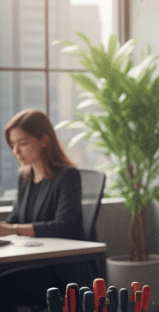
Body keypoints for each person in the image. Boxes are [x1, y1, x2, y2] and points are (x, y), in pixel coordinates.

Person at [0, 109, 86, 310]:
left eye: (22, 143)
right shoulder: (25, 177)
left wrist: (13, 230)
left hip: (60, 270)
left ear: (44, 141)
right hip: (33, 263)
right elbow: (16, 217)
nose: (16, 151)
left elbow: (64, 225)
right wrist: (5, 228)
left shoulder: (68, 176)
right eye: (12, 145)